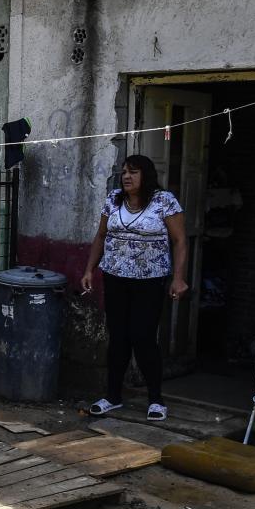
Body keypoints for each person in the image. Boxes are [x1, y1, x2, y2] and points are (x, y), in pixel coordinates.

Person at [79, 154, 188, 422]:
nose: (127, 176)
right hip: (115, 277)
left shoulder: (164, 201)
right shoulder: (114, 199)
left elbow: (180, 240)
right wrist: (89, 270)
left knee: (142, 337)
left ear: (146, 175)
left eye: (134, 172)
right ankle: (113, 396)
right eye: (125, 172)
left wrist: (178, 277)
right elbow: (101, 236)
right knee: (118, 338)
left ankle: (156, 399)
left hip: (150, 280)